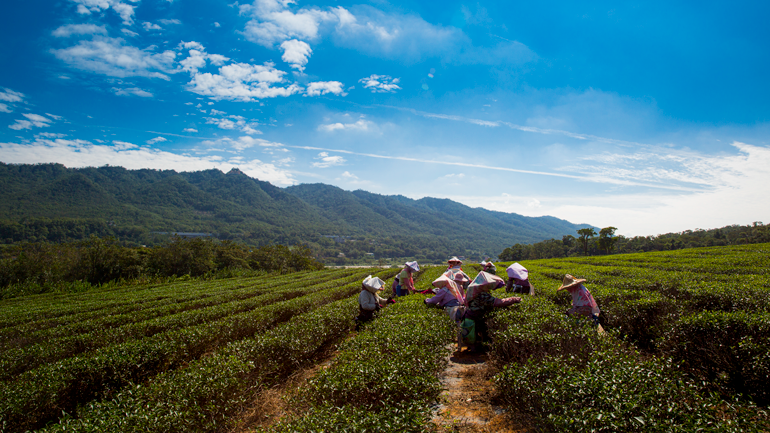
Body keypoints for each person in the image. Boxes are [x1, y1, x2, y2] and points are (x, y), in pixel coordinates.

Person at [462, 271, 521, 351]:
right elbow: (497, 302)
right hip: (475, 317)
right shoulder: (481, 295)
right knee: (486, 329)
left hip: (470, 314)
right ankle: (484, 347)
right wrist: (514, 299)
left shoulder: (474, 291)